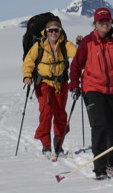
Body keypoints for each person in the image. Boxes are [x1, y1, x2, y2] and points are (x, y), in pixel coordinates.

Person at [69, 7, 113, 180]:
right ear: (95, 23)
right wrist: (74, 85)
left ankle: (110, 162)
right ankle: (99, 168)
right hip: (92, 88)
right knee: (99, 126)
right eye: (101, 21)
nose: (104, 24)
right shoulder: (88, 41)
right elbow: (76, 66)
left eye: (107, 20)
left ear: (111, 22)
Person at [22, 18, 78, 159]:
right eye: (51, 30)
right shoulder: (39, 46)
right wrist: (27, 76)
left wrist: (81, 45)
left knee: (60, 114)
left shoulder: (66, 44)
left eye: (56, 30)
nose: (54, 33)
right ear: (46, 32)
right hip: (43, 83)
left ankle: (58, 145)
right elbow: (28, 61)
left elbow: (76, 55)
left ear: (60, 31)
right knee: (46, 112)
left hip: (61, 83)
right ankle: (46, 146)